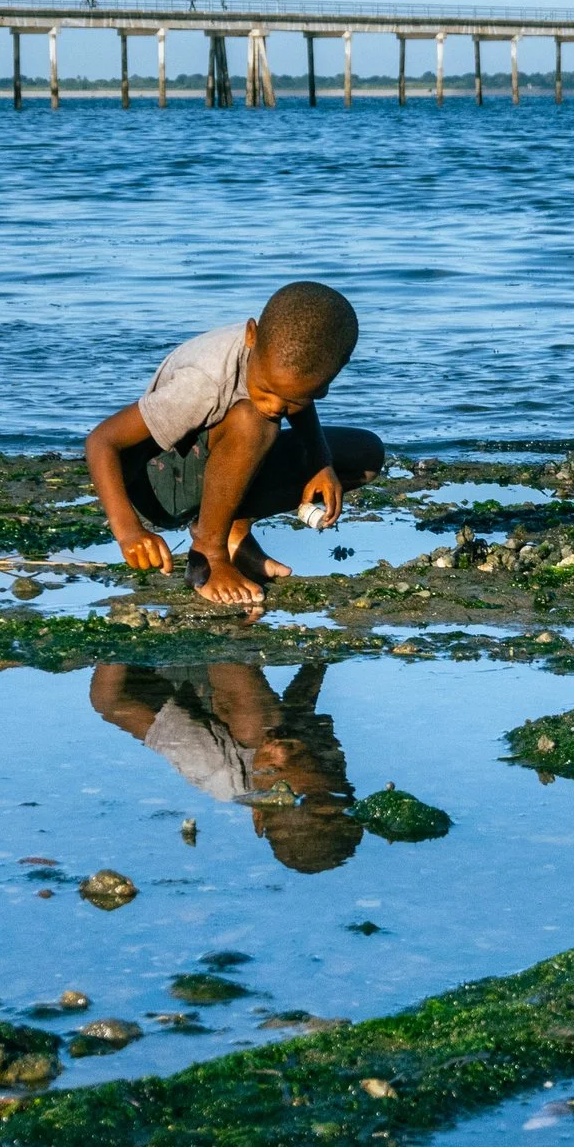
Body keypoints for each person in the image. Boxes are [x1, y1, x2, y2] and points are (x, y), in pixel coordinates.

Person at [85, 281, 384, 606]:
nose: (274, 407)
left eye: (290, 402)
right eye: (267, 390)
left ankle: (233, 534)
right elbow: (102, 442)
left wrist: (320, 462)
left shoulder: (285, 366)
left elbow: (298, 402)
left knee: (365, 455)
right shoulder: (204, 381)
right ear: (251, 335)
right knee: (254, 421)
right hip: (159, 487)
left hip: (217, 470)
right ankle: (208, 558)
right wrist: (129, 532)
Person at [89, 662, 361, 873]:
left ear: (256, 814)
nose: (279, 751)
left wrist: (117, 643)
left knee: (256, 726)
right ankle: (231, 630)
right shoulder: (330, 774)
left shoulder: (215, 769)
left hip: (163, 673)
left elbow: (109, 704)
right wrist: (319, 659)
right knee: (270, 726)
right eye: (300, 758)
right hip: (218, 682)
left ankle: (223, 622)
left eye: (272, 772)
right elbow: (301, 711)